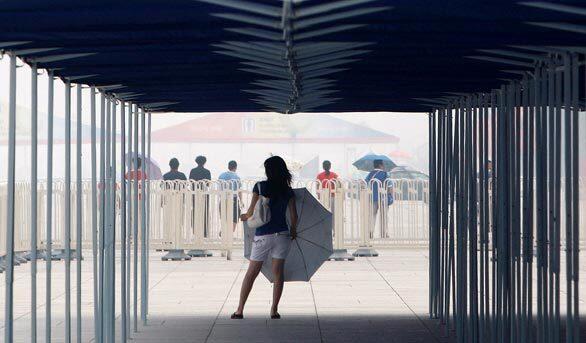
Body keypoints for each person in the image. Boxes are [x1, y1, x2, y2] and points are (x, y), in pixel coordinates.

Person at [232, 156, 297, 320]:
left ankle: (239, 310)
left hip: (263, 235)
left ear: (268, 170)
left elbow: (251, 212)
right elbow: (294, 216)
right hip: (282, 235)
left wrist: (244, 217)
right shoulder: (287, 190)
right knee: (278, 273)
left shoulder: (260, 186)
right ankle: (274, 310)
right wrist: (294, 231)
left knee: (251, 273)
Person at [365, 159, 391, 237]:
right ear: (380, 165)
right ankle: (384, 233)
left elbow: (365, 184)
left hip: (372, 198)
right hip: (383, 198)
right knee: (384, 216)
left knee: (372, 215)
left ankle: (370, 232)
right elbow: (389, 187)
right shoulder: (385, 174)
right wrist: (390, 195)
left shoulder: (369, 174)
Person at [189, 155, 211, 236]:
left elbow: (190, 182)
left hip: (194, 194)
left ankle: (195, 230)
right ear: (204, 162)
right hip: (204, 195)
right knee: (204, 212)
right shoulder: (207, 172)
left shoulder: (192, 171)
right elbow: (208, 184)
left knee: (195, 211)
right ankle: (204, 232)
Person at [218, 160, 243, 231]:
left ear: (228, 167)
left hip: (223, 198)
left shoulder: (221, 175)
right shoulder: (237, 177)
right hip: (233, 199)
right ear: (236, 167)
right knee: (235, 216)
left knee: (223, 215)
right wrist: (241, 201)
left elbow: (219, 188)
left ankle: (223, 229)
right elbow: (239, 191)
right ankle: (231, 232)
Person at [316, 160, 338, 226]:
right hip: (330, 196)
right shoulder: (334, 175)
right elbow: (338, 184)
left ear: (323, 167)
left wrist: (319, 195)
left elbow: (317, 187)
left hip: (327, 196)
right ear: (330, 166)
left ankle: (328, 227)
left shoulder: (320, 175)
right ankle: (332, 228)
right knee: (332, 213)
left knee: (325, 213)